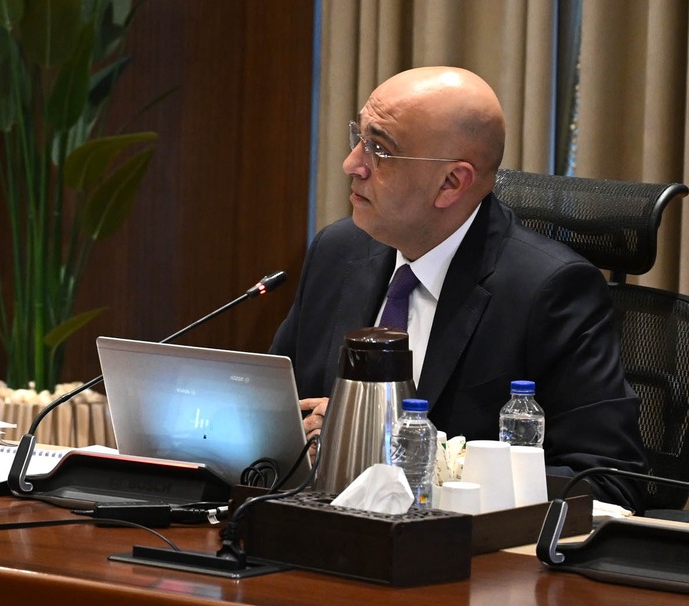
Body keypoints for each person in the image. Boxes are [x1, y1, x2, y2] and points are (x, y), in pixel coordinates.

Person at [269, 66, 646, 504]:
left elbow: (609, 480)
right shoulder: (337, 252)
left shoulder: (550, 291)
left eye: (380, 149)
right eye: (359, 138)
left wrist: (395, 453)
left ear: (451, 183)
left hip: (457, 543)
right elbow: (275, 415)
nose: (352, 164)